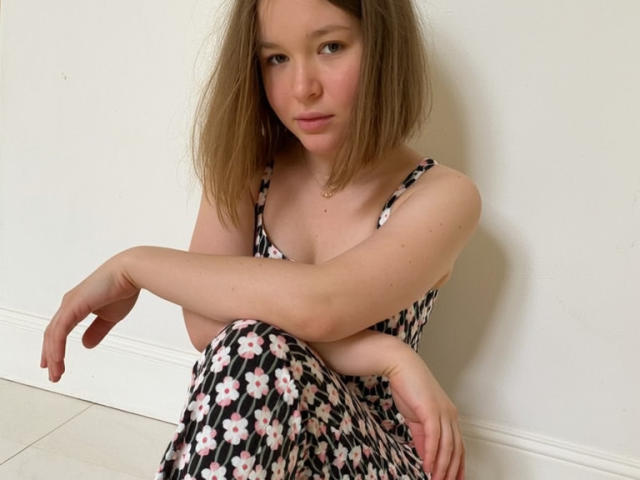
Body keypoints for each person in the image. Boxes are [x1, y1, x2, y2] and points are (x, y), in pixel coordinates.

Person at [40, 0, 481, 478]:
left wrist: (133, 266)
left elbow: (322, 305)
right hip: (258, 455)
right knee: (250, 348)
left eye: (331, 47)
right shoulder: (248, 168)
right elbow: (206, 326)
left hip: (373, 457)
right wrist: (386, 355)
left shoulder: (441, 196)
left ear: (384, 49)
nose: (302, 88)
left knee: (252, 350)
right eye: (276, 58)